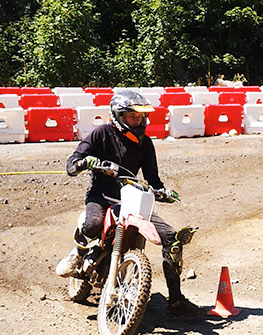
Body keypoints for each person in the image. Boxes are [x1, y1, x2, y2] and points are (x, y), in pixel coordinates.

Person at [56, 90, 201, 317]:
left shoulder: (145, 144)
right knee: (92, 225)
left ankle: (175, 301)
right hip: (101, 196)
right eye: (133, 117)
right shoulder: (101, 133)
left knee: (172, 240)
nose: (139, 121)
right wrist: (85, 162)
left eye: (141, 117)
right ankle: (78, 253)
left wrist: (162, 191)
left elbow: (153, 179)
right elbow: (71, 164)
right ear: (119, 116)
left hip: (132, 199)